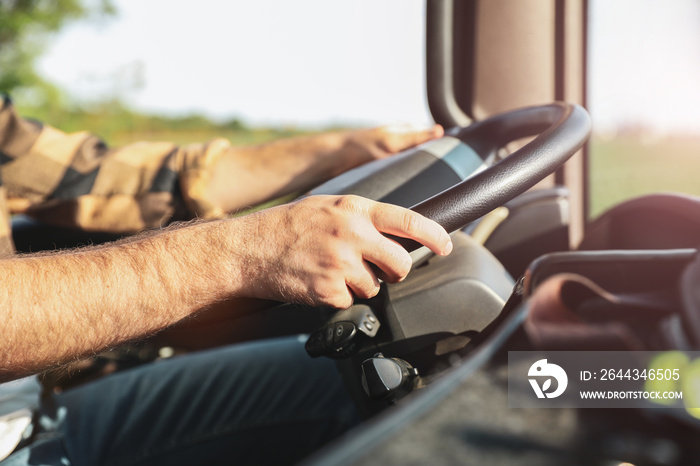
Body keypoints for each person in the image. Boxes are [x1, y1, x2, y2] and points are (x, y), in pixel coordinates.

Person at [0, 94, 452, 465]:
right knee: (426, 404)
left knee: (354, 382)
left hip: (25, 409)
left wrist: (343, 151)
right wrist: (241, 253)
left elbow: (104, 178)